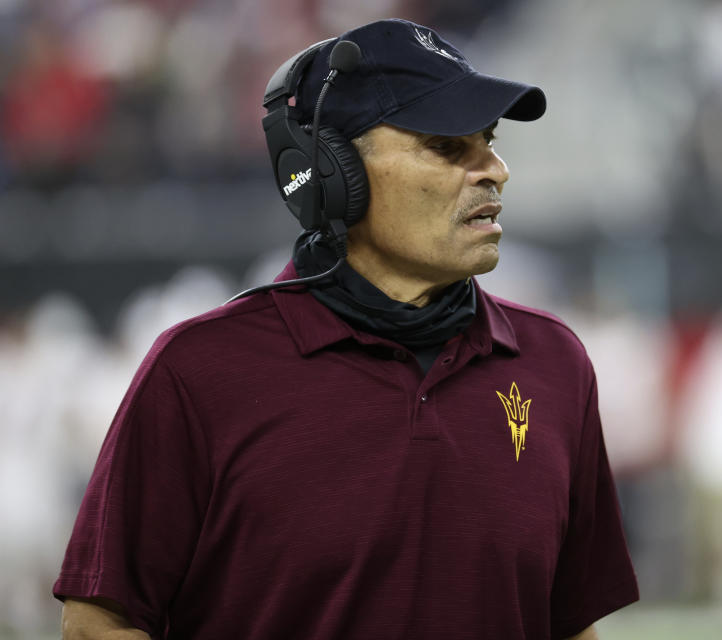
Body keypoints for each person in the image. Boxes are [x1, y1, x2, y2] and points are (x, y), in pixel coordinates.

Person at [54, 19, 639, 639]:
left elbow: (571, 625)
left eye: (489, 141)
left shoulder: (554, 364)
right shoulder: (199, 373)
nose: (495, 170)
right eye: (447, 147)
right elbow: (99, 624)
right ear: (330, 173)